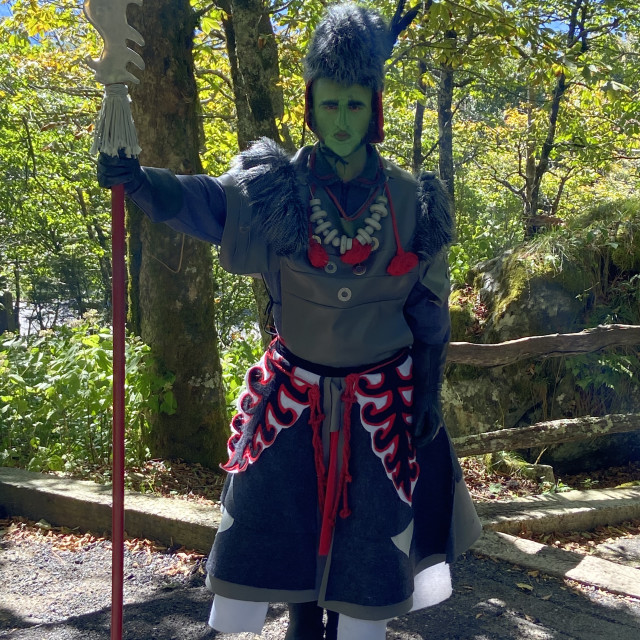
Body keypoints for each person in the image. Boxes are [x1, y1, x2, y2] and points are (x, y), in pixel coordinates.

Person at [98, 4, 482, 639]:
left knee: (367, 566)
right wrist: (140, 183)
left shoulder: (414, 199)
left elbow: (428, 310)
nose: (341, 120)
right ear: (311, 104)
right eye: (329, 104)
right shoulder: (276, 187)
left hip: (382, 407)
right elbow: (206, 203)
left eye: (355, 105)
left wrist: (429, 391)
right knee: (292, 556)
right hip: (294, 400)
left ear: (375, 108)